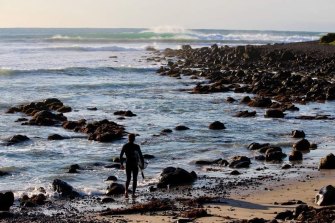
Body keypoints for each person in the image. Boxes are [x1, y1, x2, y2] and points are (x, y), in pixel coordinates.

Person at [120, 133, 144, 198]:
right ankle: (133, 194)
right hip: (134, 164)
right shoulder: (136, 146)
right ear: (134, 139)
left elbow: (121, 156)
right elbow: (141, 156)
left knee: (128, 178)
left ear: (128, 139)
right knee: (135, 179)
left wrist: (121, 164)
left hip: (128, 164)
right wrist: (142, 164)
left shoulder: (125, 146)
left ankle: (126, 191)